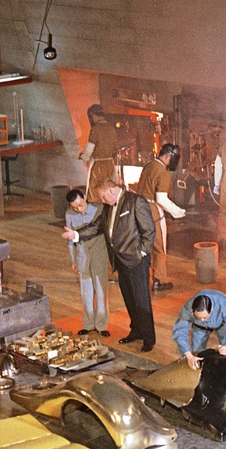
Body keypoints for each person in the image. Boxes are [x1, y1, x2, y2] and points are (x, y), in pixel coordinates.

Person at [61, 178, 156, 352]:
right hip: (120, 260)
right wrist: (76, 235)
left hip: (136, 260)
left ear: (111, 191)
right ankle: (136, 330)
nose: (102, 201)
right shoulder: (108, 207)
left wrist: (142, 253)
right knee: (129, 298)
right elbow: (97, 226)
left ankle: (148, 338)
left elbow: (149, 230)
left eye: (103, 197)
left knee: (141, 300)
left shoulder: (135, 201)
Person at [136, 142, 186, 292]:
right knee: (159, 247)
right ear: (168, 156)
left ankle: (141, 278)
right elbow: (161, 199)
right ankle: (159, 280)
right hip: (153, 211)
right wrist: (177, 211)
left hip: (139, 209)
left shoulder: (149, 165)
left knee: (143, 244)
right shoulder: (163, 173)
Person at [64, 188, 110, 337]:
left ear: (85, 197)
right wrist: (73, 259)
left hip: (99, 255)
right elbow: (70, 240)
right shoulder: (69, 215)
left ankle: (101, 325)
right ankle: (88, 324)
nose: (79, 210)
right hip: (82, 257)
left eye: (80, 205)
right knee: (86, 293)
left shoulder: (99, 209)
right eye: (75, 208)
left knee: (101, 291)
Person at [172, 291, 226, 371]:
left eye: (205, 317)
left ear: (211, 308)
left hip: (222, 324)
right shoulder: (188, 308)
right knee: (197, 353)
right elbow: (179, 331)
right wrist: (189, 356)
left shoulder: (223, 304)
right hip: (199, 327)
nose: (202, 320)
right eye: (198, 317)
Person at [79, 105, 118, 204]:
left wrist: (84, 158)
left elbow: (89, 148)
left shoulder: (95, 129)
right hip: (109, 164)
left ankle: (95, 212)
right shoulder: (111, 128)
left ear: (93, 115)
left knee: (95, 192)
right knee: (109, 190)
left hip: (98, 167)